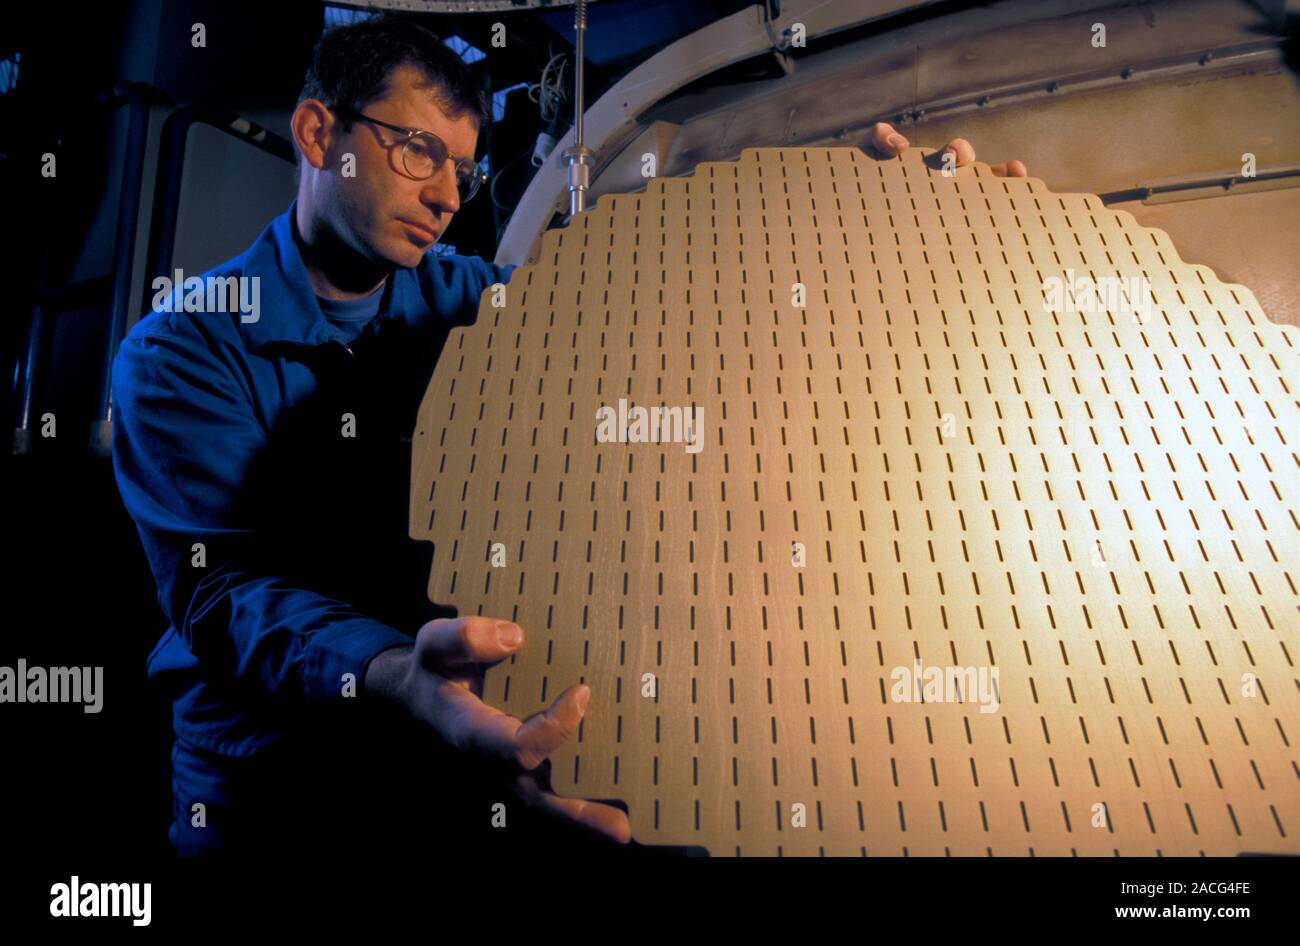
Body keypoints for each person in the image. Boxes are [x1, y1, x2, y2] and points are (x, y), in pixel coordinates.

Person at [112, 12, 1027, 859]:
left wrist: (829, 210)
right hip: (272, 784)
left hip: (455, 746)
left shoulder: (463, 295)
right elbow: (229, 593)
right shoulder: (181, 350)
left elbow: (631, 281)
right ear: (319, 135)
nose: (445, 198)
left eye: (463, 173)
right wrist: (394, 674)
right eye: (418, 152)